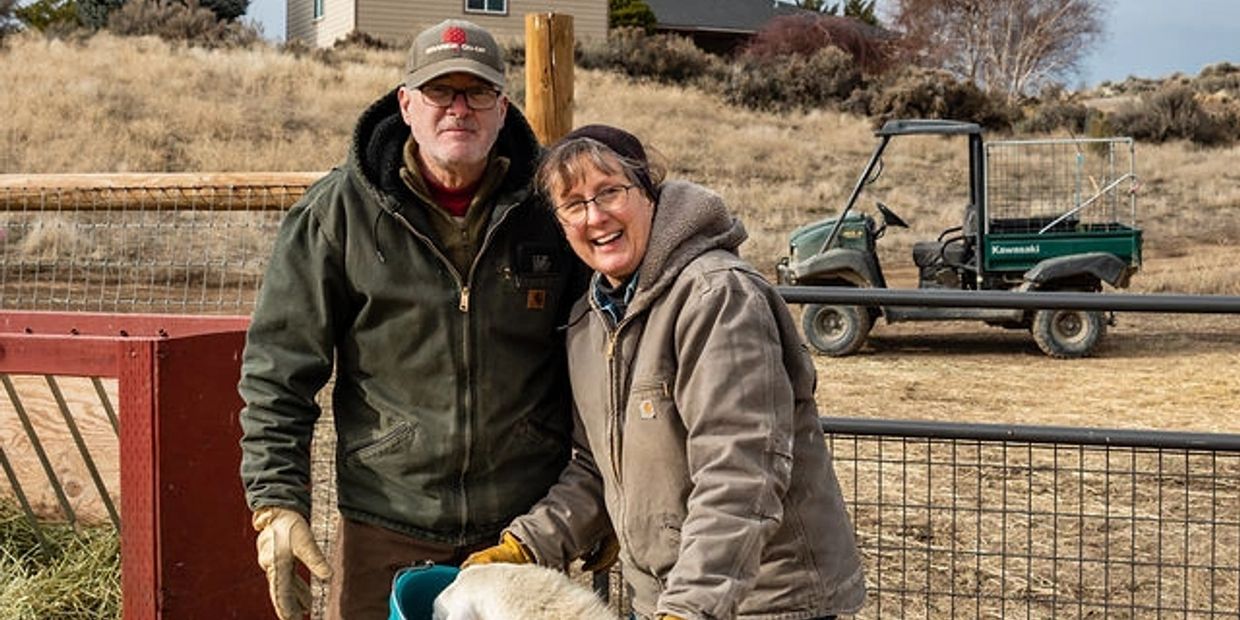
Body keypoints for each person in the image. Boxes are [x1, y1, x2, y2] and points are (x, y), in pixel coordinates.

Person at [238, 19, 588, 619]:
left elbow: (600, 362)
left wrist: (595, 503)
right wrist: (275, 501)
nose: (459, 108)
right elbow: (279, 372)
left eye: (477, 92)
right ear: (406, 103)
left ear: (503, 107)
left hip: (525, 532)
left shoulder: (552, 211)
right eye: (439, 92)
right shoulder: (337, 216)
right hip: (387, 526)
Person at [465, 125, 867, 619]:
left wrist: (690, 607)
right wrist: (525, 546)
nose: (596, 217)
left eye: (610, 192)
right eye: (573, 204)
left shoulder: (716, 297)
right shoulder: (589, 323)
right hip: (666, 600)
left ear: (649, 191)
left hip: (764, 603)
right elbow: (597, 470)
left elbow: (740, 472)